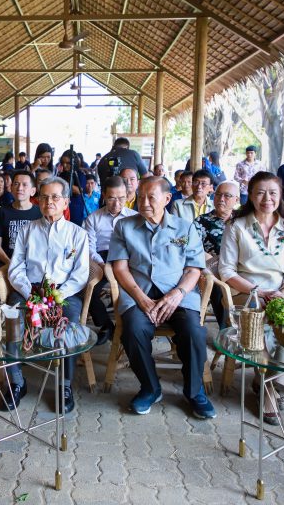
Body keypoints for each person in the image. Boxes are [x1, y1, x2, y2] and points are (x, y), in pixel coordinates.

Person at [108, 177, 214, 418]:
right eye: (141, 196)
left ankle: (194, 392)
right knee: (133, 329)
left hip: (177, 292)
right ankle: (150, 387)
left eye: (151, 197)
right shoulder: (124, 226)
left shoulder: (185, 227)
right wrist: (141, 298)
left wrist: (177, 294)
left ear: (167, 199)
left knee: (194, 332)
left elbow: (194, 269)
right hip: (139, 290)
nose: (144, 202)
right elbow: (120, 268)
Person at [218, 171, 284, 422]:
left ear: (280, 196)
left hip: (282, 292)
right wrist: (257, 291)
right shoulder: (237, 226)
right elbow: (226, 269)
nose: (267, 198)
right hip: (246, 293)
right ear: (251, 196)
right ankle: (268, 387)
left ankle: (268, 379)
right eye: (260, 192)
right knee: (262, 323)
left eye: (273, 193)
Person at [5, 177, 89, 413]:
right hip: (29, 290)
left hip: (64, 292)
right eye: (43, 197)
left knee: (70, 324)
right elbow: (15, 268)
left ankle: (64, 385)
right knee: (12, 319)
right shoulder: (27, 230)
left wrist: (57, 295)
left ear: (65, 202)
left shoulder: (77, 234)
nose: (48, 202)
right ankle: (16, 382)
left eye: (55, 197)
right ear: (37, 200)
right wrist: (29, 293)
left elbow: (81, 274)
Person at [84, 175, 137, 344]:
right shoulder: (93, 218)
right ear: (104, 196)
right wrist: (101, 263)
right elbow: (90, 248)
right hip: (101, 259)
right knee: (87, 289)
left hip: (128, 259)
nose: (116, 203)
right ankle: (107, 325)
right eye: (112, 198)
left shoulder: (134, 217)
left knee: (134, 290)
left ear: (127, 196)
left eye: (121, 198)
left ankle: (131, 329)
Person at [194, 181, 240, 329]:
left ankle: (249, 326)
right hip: (213, 270)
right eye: (218, 195)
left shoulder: (243, 220)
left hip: (240, 268)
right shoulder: (201, 221)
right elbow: (192, 249)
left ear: (236, 200)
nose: (221, 199)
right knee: (216, 284)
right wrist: (205, 257)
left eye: (227, 196)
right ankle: (226, 329)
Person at [0, 170, 42, 276]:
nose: (20, 188)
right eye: (16, 184)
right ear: (11, 188)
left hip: (33, 261)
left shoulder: (40, 213)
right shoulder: (2, 211)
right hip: (7, 259)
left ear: (33, 191)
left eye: (25, 185)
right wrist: (9, 262)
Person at [58, 150, 87, 226]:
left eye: (67, 163)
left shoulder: (80, 174)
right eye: (63, 162)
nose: (64, 165)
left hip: (75, 207)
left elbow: (78, 191)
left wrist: (63, 183)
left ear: (74, 163)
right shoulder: (61, 175)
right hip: (62, 207)